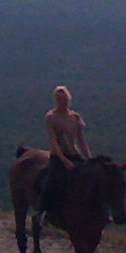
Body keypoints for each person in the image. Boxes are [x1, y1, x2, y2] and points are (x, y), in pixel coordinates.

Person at [38, 84, 93, 220]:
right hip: (59, 156)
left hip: (74, 153)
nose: (63, 103)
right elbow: (53, 141)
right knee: (52, 181)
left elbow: (81, 140)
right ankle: (44, 212)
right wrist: (64, 160)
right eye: (60, 100)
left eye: (65, 100)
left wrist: (89, 158)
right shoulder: (51, 117)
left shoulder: (75, 117)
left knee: (92, 179)